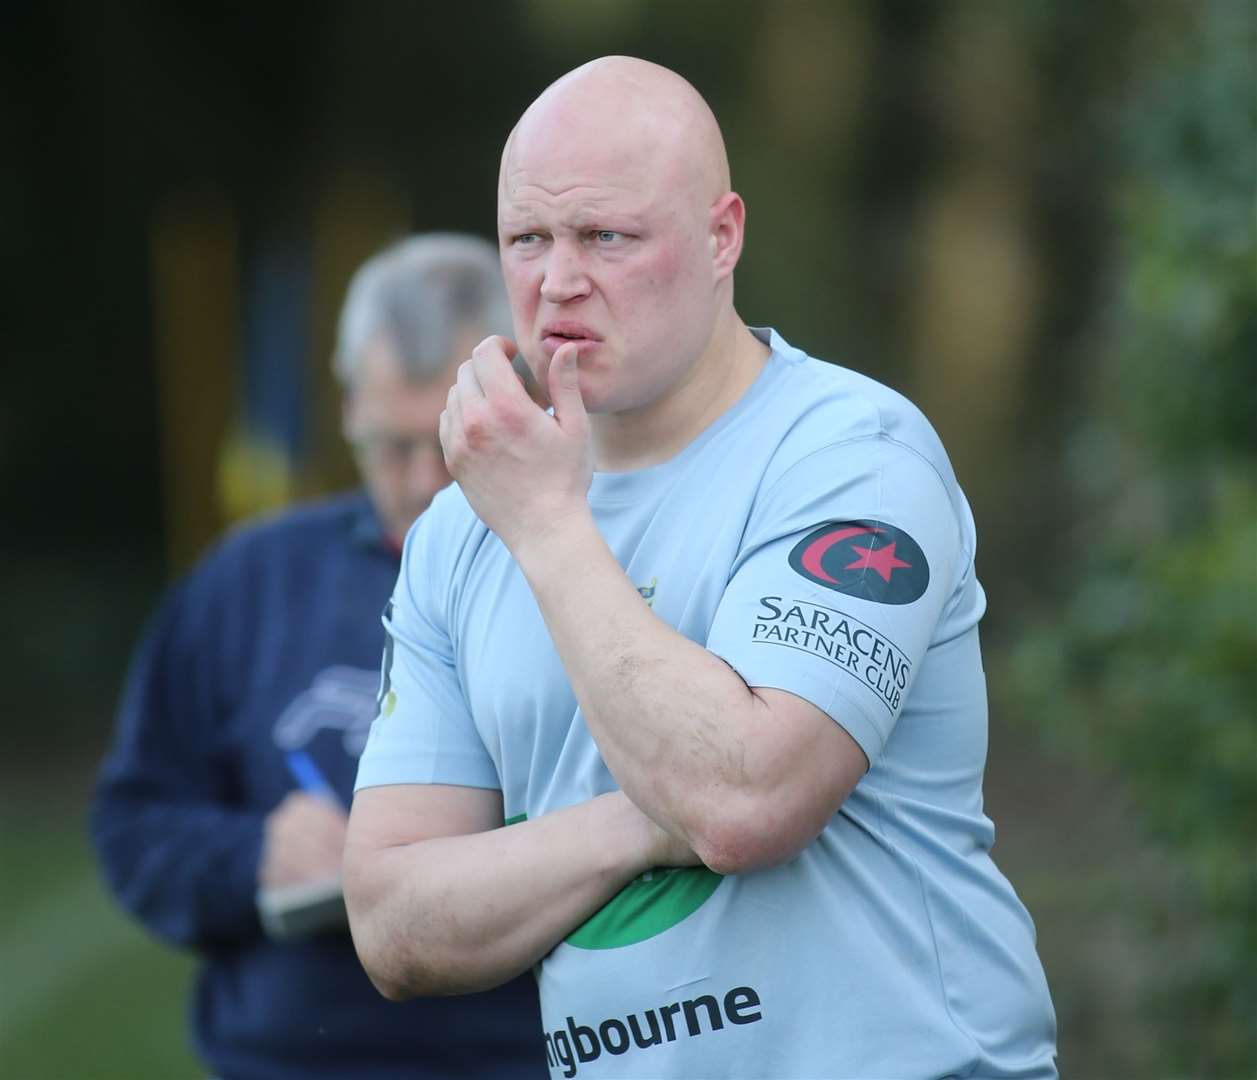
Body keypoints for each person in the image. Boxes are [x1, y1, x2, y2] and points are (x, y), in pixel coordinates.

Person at [345, 58, 1058, 1080]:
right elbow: (392, 926)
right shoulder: (463, 529)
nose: (557, 283)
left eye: (607, 237)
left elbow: (741, 803)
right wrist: (636, 827)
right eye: (527, 240)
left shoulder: (851, 454)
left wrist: (549, 527)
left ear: (723, 236)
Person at [90, 234, 545, 1080]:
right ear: (346, 408)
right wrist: (252, 857)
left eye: (440, 442)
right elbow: (132, 821)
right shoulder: (247, 581)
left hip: (526, 1054)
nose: (418, 482)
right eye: (389, 445)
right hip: (290, 1059)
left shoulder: (579, 566)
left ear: (512, 395)